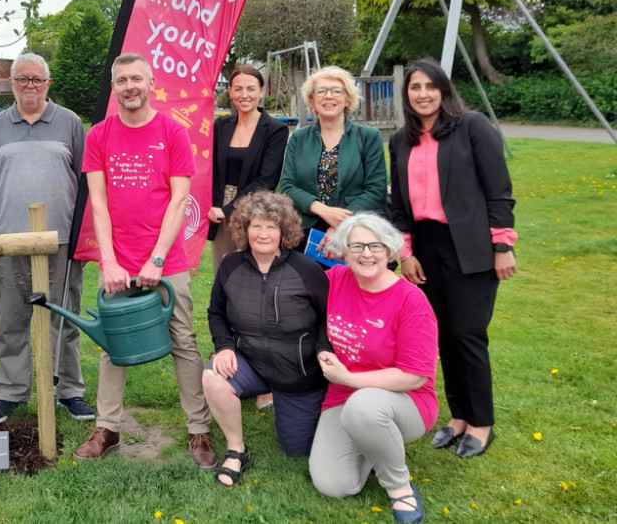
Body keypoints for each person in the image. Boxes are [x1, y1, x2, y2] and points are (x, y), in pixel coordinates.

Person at [74, 52, 217, 469]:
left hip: (166, 261)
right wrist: (110, 261)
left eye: (137, 79)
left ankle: (198, 430)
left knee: (184, 341)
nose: (130, 86)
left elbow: (179, 199)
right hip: (119, 261)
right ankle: (108, 427)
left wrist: (156, 259)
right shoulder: (99, 135)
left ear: (151, 83)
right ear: (114, 87)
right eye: (122, 81)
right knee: (110, 342)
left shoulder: (172, 131)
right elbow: (97, 204)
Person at [389, 57, 517, 459]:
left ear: (444, 89)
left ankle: (481, 423)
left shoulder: (472, 127)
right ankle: (458, 416)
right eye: (415, 88)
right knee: (441, 335)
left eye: (430, 86)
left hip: (471, 245)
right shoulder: (400, 140)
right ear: (406, 95)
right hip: (426, 246)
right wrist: (406, 252)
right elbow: (399, 206)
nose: (423, 94)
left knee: (468, 334)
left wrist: (503, 244)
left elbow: (498, 189)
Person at [0, 53, 91, 424]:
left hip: (61, 242)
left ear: (47, 83)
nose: (30, 86)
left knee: (64, 317)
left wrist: (81, 238)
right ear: (11, 84)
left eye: (37, 80)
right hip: (8, 242)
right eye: (22, 80)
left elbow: (86, 181)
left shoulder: (70, 123)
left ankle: (68, 389)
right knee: (11, 319)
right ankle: (12, 391)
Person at [309, 213, 437, 524]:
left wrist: (350, 378)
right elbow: (295, 296)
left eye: (375, 245)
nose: (366, 253)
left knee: (364, 407)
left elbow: (414, 375)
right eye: (357, 246)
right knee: (332, 484)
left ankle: (399, 486)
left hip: (404, 400)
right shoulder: (335, 280)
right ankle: (373, 442)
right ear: (344, 251)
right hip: (343, 395)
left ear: (391, 251)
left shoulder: (411, 300)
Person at [203, 191, 329, 487]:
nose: (262, 234)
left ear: (284, 231)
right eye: (256, 226)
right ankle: (237, 449)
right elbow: (216, 312)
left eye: (271, 227)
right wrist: (223, 346)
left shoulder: (307, 269)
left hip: (298, 375)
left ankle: (303, 412)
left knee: (297, 449)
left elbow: (328, 317)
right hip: (252, 363)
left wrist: (323, 350)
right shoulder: (230, 266)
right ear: (244, 229)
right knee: (212, 377)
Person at [279, 66, 387, 255]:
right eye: (321, 91)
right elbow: (287, 186)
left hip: (355, 232)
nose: (328, 96)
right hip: (303, 234)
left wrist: (341, 223)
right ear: (312, 99)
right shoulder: (299, 138)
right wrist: (322, 210)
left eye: (337, 91)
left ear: (347, 98)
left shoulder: (368, 136)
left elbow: (376, 189)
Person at [208, 65, 289, 270]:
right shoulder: (221, 125)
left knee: (253, 271)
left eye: (251, 89)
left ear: (261, 91)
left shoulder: (275, 130)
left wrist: (228, 209)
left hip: (254, 207)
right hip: (218, 207)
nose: (244, 95)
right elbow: (210, 168)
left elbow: (267, 180)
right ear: (230, 92)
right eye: (238, 89)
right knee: (223, 269)